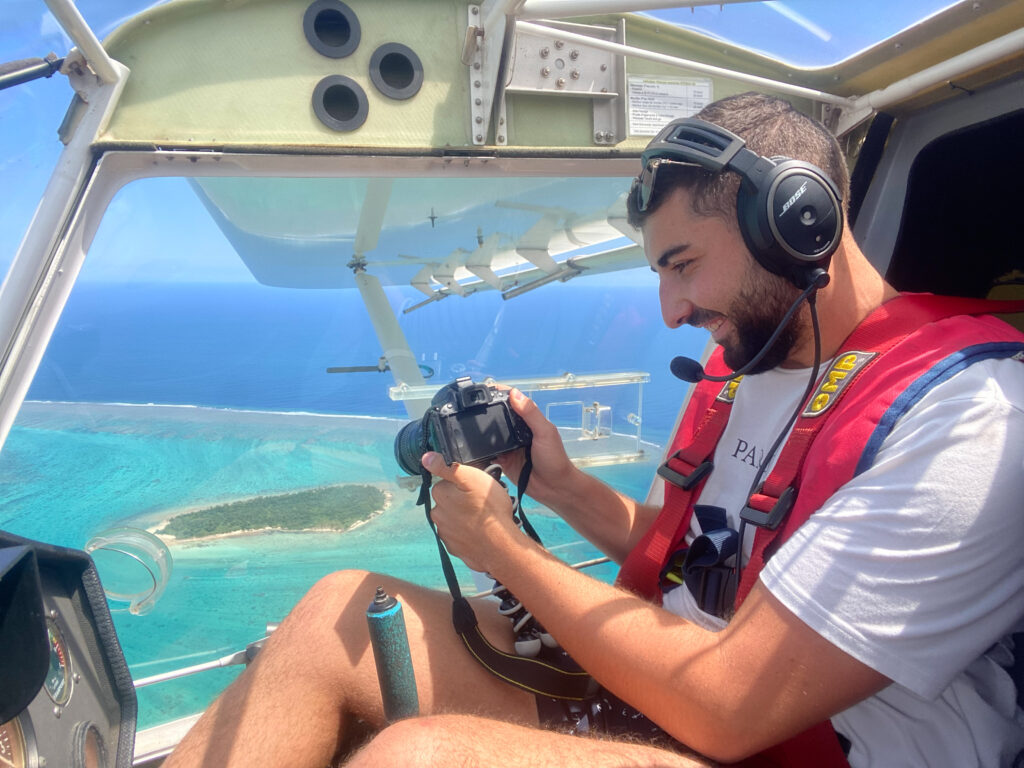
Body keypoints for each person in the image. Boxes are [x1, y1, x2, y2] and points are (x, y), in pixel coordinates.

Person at [164, 93, 1024, 768]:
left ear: (798, 221)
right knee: (336, 613)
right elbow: (703, 561)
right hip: (664, 692)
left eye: (683, 265)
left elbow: (732, 702)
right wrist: (561, 486)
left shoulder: (969, 417)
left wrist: (504, 551)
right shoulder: (749, 366)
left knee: (417, 758)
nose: (671, 310)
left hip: (766, 739)